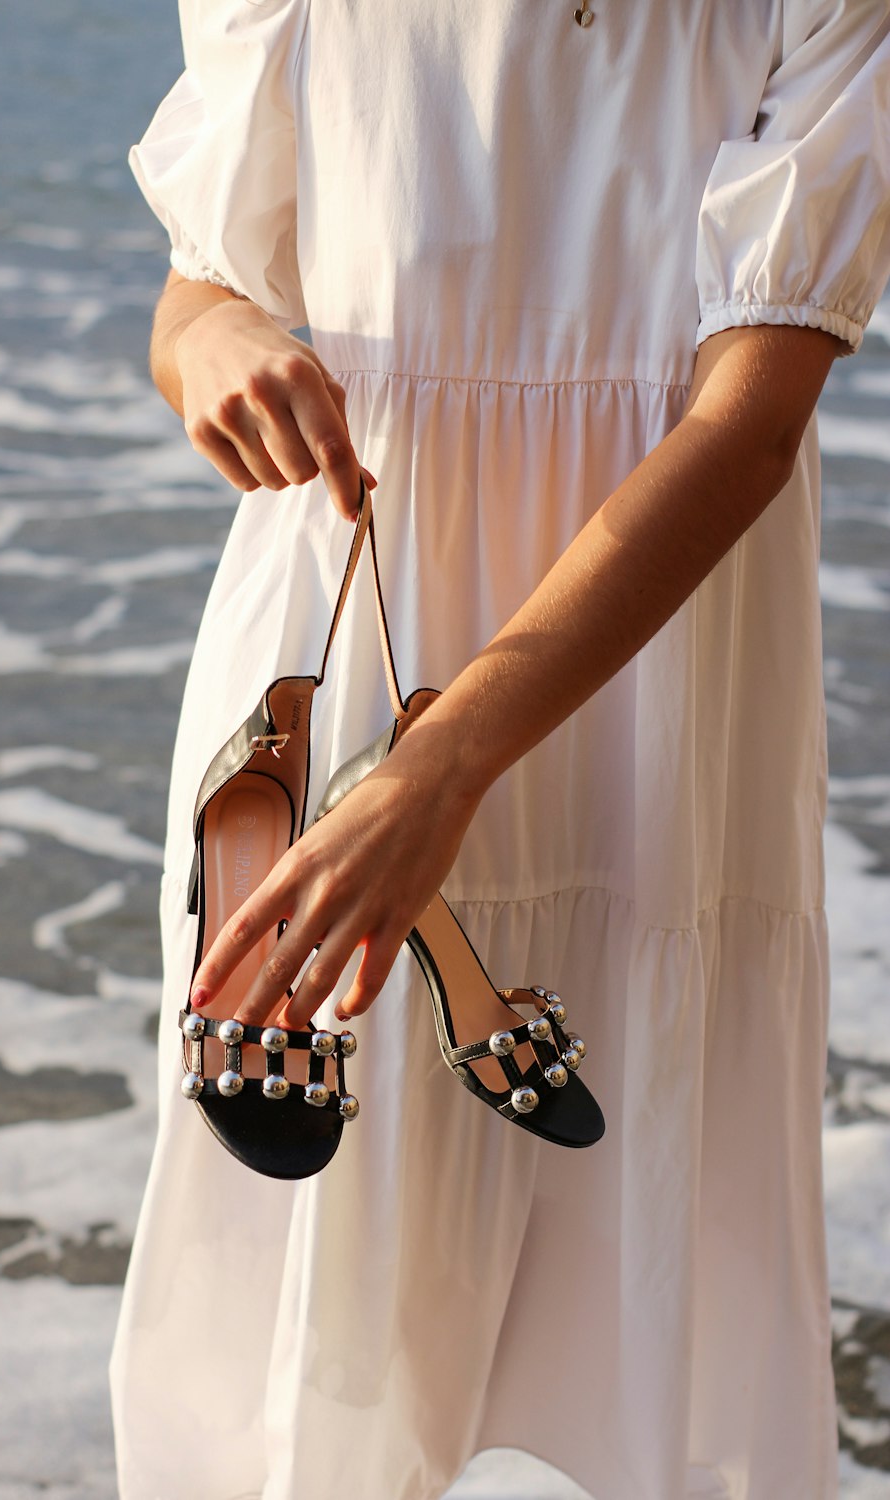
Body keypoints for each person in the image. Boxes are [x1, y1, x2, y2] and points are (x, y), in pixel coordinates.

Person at [110, 3, 890, 1497]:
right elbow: (197, 295)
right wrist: (214, 348)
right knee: (320, 1347)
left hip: (650, 677)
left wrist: (452, 762)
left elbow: (751, 420)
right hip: (342, 638)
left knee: (653, 1313)